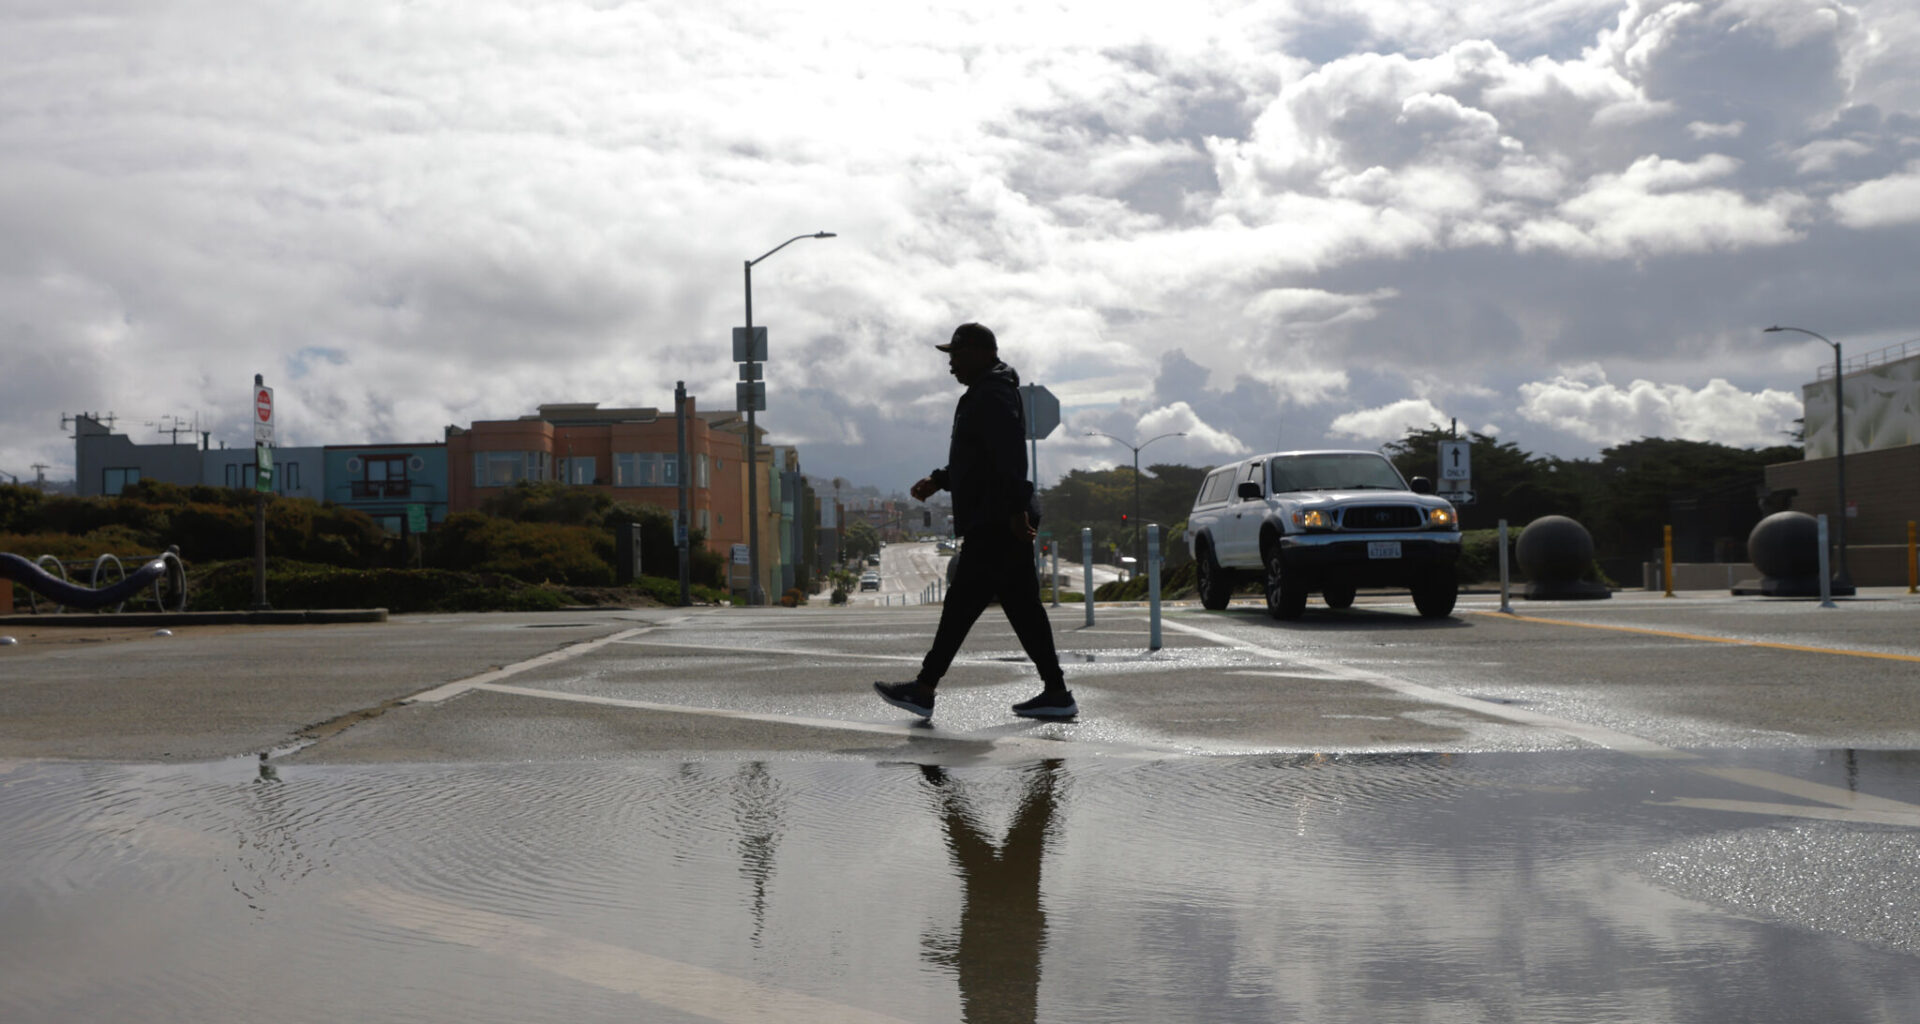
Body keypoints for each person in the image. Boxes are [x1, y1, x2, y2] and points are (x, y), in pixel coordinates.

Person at [874, 323, 1076, 720]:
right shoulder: (985, 393)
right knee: (1021, 609)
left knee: (963, 606)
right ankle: (1055, 692)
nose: (951, 365)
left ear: (982, 353)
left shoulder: (993, 394)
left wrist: (1017, 511)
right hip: (997, 516)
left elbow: (1009, 457)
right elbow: (977, 459)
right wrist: (940, 479)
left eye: (957, 355)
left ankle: (924, 688)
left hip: (998, 520)